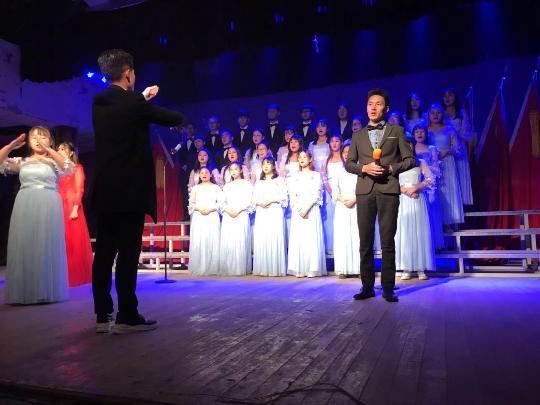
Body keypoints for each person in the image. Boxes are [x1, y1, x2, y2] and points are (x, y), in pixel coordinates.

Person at [91, 49, 186, 333]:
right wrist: (145, 100)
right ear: (128, 74)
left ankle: (102, 316)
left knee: (104, 253)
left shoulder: (98, 102)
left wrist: (141, 98)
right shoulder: (135, 102)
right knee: (128, 253)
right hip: (129, 191)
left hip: (105, 190)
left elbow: (125, 111)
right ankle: (127, 316)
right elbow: (172, 117)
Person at [345, 88, 415, 302]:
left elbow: (410, 160)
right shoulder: (357, 135)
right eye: (370, 104)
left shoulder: (397, 131)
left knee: (387, 241)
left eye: (378, 104)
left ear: (386, 108)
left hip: (388, 189)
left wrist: (391, 168)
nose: (373, 107)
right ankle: (367, 287)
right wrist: (364, 168)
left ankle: (388, 288)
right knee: (365, 242)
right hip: (365, 191)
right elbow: (349, 164)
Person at [0, 128, 73, 304]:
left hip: (48, 202)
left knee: (46, 243)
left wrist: (48, 150)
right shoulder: (23, 161)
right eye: (34, 136)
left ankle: (46, 290)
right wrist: (11, 146)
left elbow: (67, 166)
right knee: (25, 243)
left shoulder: (54, 161)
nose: (38, 139)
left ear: (50, 141)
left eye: (42, 136)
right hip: (25, 202)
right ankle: (25, 291)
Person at [57, 142, 93, 287]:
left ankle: (76, 274)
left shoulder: (77, 168)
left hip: (72, 204)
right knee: (62, 239)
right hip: (59, 203)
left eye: (63, 149)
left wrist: (75, 208)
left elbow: (80, 189)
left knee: (73, 239)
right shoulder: (57, 169)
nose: (59, 151)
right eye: (58, 149)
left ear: (71, 153)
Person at [395, 154, 436, 281]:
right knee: (404, 233)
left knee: (418, 232)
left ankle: (420, 268)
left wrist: (415, 188)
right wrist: (406, 191)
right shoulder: (396, 162)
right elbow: (391, 182)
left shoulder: (420, 162)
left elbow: (430, 178)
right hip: (402, 200)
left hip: (417, 198)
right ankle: (406, 268)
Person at [287, 150, 327, 278]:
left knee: (310, 237)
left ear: (310, 159)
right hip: (298, 210)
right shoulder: (294, 176)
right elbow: (292, 194)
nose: (302, 159)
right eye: (300, 157)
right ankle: (299, 268)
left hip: (311, 209)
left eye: (304, 157)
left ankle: (312, 268)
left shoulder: (316, 175)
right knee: (299, 238)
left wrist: (307, 208)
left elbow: (317, 193)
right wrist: (300, 209)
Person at [427, 103, 464, 227]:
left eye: (438, 112)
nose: (435, 115)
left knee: (448, 192)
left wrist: (447, 151)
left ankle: (450, 223)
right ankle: (437, 225)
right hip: (431, 165)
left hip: (447, 164)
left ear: (443, 114)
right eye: (433, 113)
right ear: (428, 115)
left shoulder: (449, 129)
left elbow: (459, 150)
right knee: (435, 192)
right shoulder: (425, 130)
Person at [252, 157, 288, 276]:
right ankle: (263, 268)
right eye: (264, 164)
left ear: (273, 166)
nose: (266, 166)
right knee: (263, 237)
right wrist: (259, 202)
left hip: (274, 210)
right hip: (261, 211)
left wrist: (270, 200)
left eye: (269, 164)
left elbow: (283, 197)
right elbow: (254, 197)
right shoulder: (259, 182)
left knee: (273, 236)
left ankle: (275, 268)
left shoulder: (279, 180)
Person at [412, 124, 445, 250]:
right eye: (417, 132)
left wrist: (424, 167)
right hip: (415, 183)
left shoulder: (431, 148)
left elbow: (436, 169)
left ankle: (435, 243)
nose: (419, 134)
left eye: (422, 131)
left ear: (426, 134)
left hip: (429, 185)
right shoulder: (410, 149)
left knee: (432, 212)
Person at [219, 162, 253, 276]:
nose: (233, 172)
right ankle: (229, 267)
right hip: (228, 215)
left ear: (241, 170)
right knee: (229, 240)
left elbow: (249, 200)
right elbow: (222, 201)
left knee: (240, 240)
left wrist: (238, 210)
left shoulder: (246, 184)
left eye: (236, 169)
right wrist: (228, 210)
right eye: (231, 170)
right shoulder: (227, 186)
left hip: (241, 214)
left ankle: (239, 267)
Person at [333, 140, 360, 278]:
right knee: (343, 236)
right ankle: (343, 268)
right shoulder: (339, 171)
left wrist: (354, 199)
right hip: (342, 206)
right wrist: (342, 199)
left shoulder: (361, 170)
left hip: (357, 205)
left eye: (349, 152)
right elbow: (334, 191)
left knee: (357, 235)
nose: (346, 154)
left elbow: (365, 189)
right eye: (344, 152)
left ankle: (359, 268)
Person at [188, 167, 223, 276]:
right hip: (199, 216)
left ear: (211, 175)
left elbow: (221, 203)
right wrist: (199, 208)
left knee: (211, 239)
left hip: (212, 215)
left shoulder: (216, 188)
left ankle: (212, 267)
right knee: (200, 240)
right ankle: (199, 266)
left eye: (206, 173)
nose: (204, 175)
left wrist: (211, 209)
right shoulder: (195, 188)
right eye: (201, 173)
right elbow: (191, 203)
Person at [442, 88, 473, 205]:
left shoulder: (461, 112)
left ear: (455, 97)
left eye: (450, 95)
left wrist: (456, 134)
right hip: (446, 149)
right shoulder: (440, 113)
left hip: (459, 148)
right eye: (445, 96)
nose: (447, 98)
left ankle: (463, 205)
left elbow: (466, 132)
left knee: (461, 174)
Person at [321, 134, 344, 256]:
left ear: (341, 142)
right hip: (329, 193)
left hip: (343, 192)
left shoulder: (345, 158)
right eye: (332, 141)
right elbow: (323, 177)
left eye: (337, 141)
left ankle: (342, 248)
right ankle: (331, 248)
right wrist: (330, 191)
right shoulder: (326, 160)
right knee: (330, 220)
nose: (334, 143)